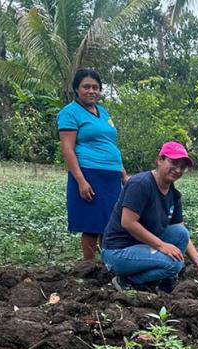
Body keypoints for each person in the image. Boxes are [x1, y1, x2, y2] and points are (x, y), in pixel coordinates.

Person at [100, 141, 198, 293]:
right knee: (174, 264)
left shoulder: (173, 193)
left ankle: (164, 280)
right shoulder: (140, 184)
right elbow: (128, 223)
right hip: (119, 251)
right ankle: (127, 280)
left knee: (180, 234)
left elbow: (180, 229)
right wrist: (161, 245)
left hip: (141, 245)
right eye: (173, 163)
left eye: (182, 167)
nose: (178, 169)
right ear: (159, 160)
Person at [58, 68, 128, 261]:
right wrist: (81, 180)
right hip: (89, 173)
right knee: (92, 224)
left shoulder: (103, 112)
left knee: (110, 223)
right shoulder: (69, 113)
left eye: (95, 87)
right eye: (86, 87)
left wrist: (123, 175)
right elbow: (67, 149)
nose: (91, 91)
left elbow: (110, 144)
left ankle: (108, 263)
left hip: (111, 175)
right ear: (76, 90)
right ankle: (89, 266)